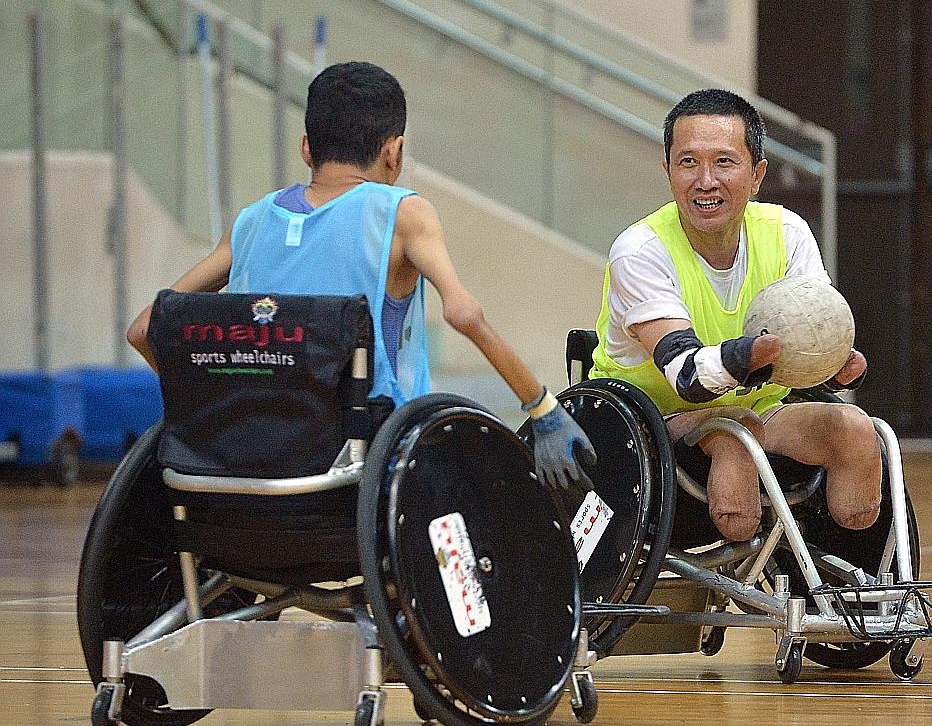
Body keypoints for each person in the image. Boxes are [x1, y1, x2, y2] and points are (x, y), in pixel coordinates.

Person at [126, 61, 594, 496]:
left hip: (240, 465)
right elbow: (464, 313)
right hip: (365, 468)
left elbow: (145, 329)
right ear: (394, 151)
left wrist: (214, 410)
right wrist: (543, 409)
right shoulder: (402, 214)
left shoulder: (249, 223)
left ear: (307, 147)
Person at [591, 88, 880, 542]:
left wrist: (832, 370)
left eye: (724, 162)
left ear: (757, 174)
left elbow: (815, 341)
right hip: (651, 427)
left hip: (760, 411)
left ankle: (854, 582)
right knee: (735, 434)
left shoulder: (787, 232)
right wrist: (748, 356)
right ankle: (738, 551)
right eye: (688, 163)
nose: (705, 180)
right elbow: (685, 375)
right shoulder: (640, 251)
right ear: (667, 171)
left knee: (855, 427)